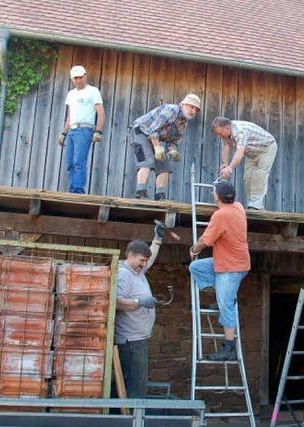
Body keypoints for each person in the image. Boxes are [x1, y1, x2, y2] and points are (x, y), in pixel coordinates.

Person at [188, 182, 250, 361]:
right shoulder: (238, 207)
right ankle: (224, 296)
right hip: (228, 261)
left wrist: (193, 250)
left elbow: (205, 241)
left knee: (226, 307)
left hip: (232, 268)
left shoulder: (220, 215)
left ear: (217, 197)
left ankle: (228, 348)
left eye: (214, 192)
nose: (213, 194)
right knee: (196, 267)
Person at [114, 222, 166, 398]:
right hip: (129, 341)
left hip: (138, 339)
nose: (144, 264)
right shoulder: (123, 274)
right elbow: (116, 302)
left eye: (145, 261)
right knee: (135, 387)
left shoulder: (138, 270)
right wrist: (139, 301)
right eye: (141, 261)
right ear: (130, 256)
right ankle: (131, 422)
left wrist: (157, 239)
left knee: (136, 383)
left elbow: (150, 259)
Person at [131, 94, 202, 200]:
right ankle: (140, 193)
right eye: (191, 107)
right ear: (183, 104)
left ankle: (160, 196)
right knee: (147, 161)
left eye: (196, 109)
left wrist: (173, 151)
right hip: (139, 131)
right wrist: (157, 148)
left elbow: (172, 141)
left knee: (165, 167)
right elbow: (153, 130)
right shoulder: (171, 109)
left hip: (154, 138)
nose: (193, 111)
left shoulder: (183, 123)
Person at [57, 65, 105, 194]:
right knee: (70, 163)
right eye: (76, 78)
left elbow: (101, 112)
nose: (79, 80)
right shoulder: (71, 94)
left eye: (80, 77)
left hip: (85, 130)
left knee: (79, 162)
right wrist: (63, 133)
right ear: (72, 79)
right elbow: (70, 116)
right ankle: (73, 189)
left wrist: (99, 131)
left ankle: (78, 191)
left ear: (85, 76)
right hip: (71, 130)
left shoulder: (93, 91)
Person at [212, 117, 278, 210]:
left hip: (266, 148)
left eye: (220, 133)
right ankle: (258, 206)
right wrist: (225, 164)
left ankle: (255, 206)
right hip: (251, 152)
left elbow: (239, 152)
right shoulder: (225, 134)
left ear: (227, 128)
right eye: (218, 134)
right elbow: (226, 146)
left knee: (259, 175)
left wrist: (229, 169)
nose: (219, 136)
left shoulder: (240, 130)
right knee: (248, 178)